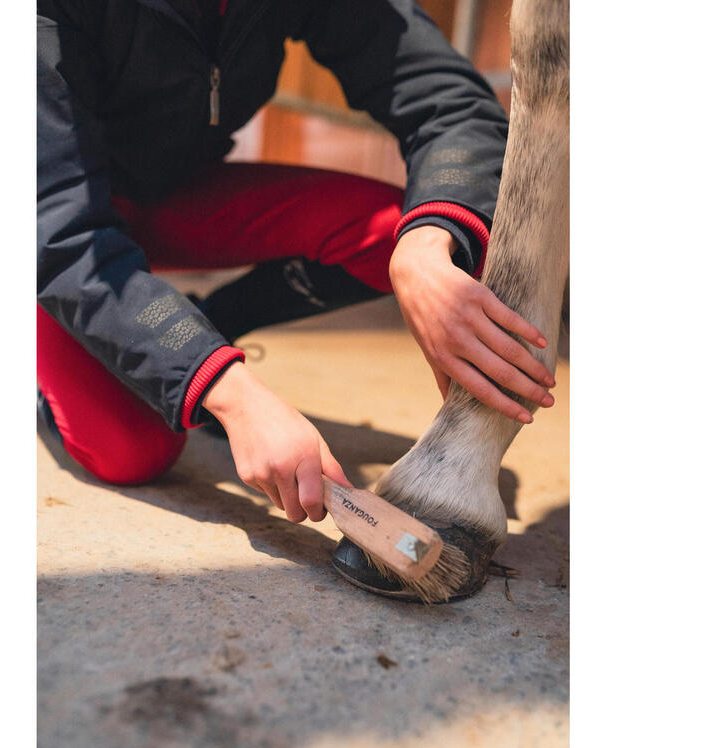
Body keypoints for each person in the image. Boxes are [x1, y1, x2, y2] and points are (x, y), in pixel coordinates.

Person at [37, 0, 556, 533]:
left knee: (430, 238)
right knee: (130, 452)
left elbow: (449, 101)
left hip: (174, 195)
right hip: (60, 229)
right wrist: (232, 396)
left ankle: (212, 319)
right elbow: (58, 230)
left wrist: (426, 246)